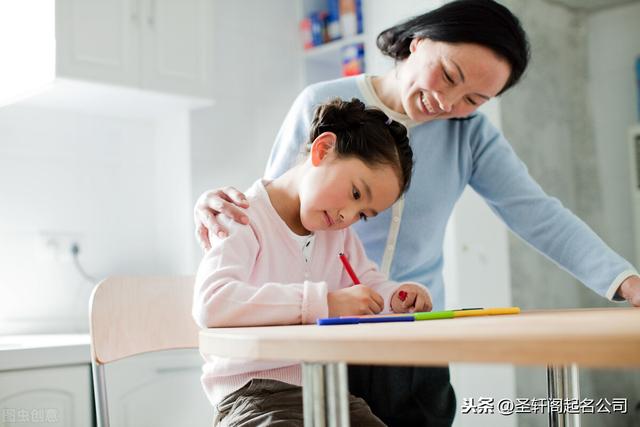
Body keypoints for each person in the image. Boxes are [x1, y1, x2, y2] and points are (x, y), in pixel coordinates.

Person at [194, 0, 640, 425]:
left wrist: (624, 279)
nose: (449, 104)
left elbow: (539, 215)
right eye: (449, 75)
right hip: (326, 336)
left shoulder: (470, 135)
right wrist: (217, 204)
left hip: (414, 337)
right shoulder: (325, 102)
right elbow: (284, 209)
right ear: (419, 41)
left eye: (474, 99)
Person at [192, 97, 431, 426]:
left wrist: (397, 297)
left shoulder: (339, 236)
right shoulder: (241, 216)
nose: (348, 215)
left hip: (324, 389)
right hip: (252, 395)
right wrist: (325, 303)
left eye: (362, 214)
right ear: (323, 150)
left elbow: (368, 284)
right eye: (356, 194)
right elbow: (212, 303)